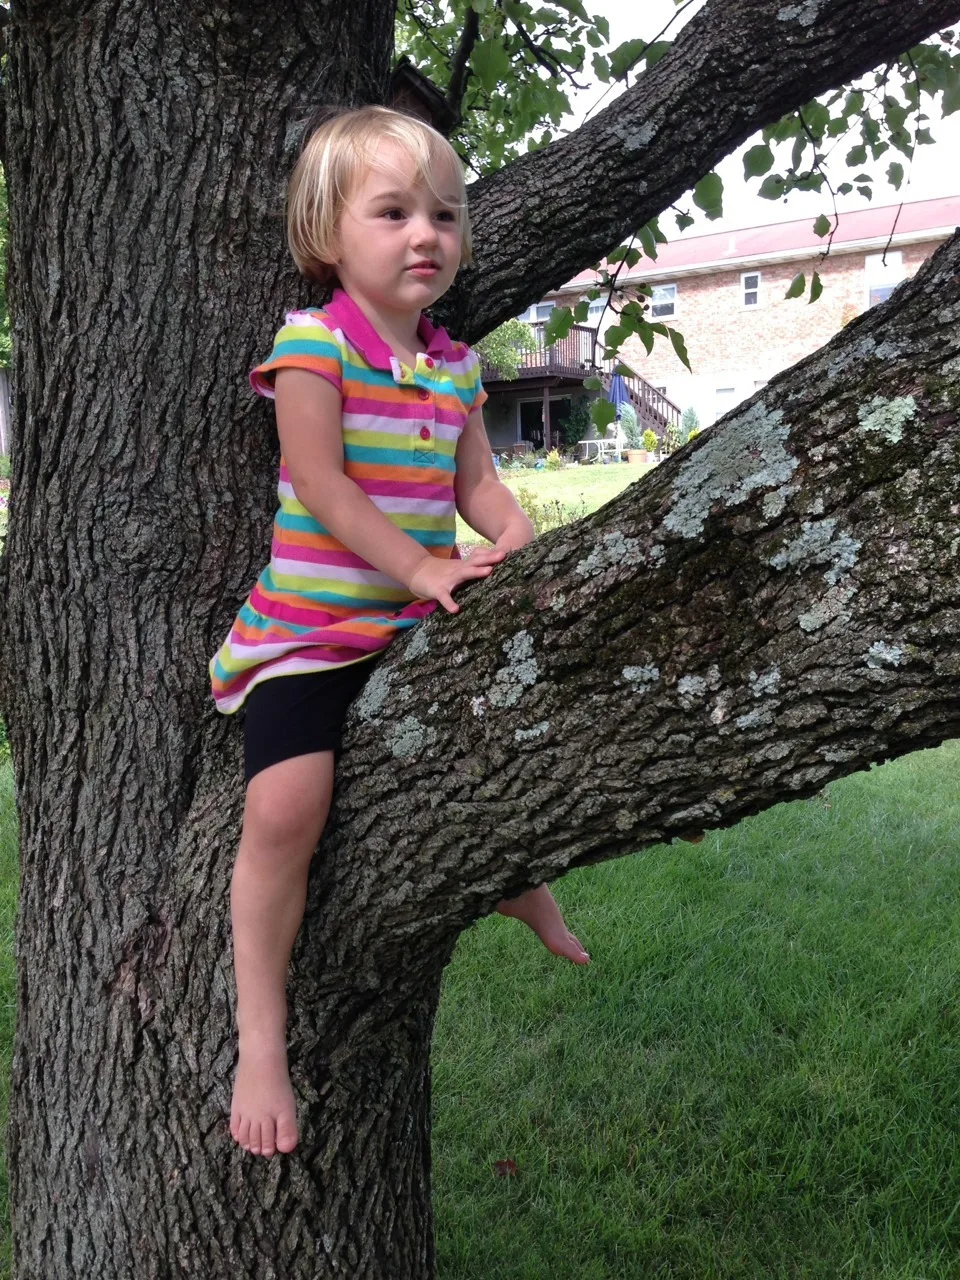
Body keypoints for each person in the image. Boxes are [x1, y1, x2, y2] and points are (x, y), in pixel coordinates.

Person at [210, 106, 590, 1161]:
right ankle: (259, 1040)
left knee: (494, 750)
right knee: (286, 805)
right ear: (330, 231)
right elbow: (324, 486)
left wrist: (513, 533)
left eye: (445, 214)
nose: (426, 233)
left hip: (414, 623)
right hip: (314, 629)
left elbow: (479, 486)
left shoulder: (458, 369)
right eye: (393, 212)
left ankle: (518, 878)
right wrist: (421, 564)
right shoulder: (312, 345)